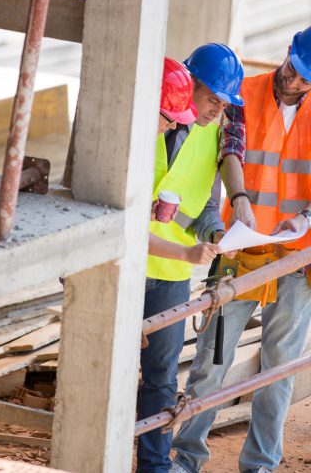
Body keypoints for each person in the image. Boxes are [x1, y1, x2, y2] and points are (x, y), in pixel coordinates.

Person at [171, 27, 311, 473]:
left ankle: (261, 465)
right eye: (293, 69)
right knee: (211, 364)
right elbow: (217, 160)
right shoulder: (242, 95)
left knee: (278, 368)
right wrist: (228, 213)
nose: (293, 82)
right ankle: (186, 457)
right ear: (288, 52)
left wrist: (305, 221)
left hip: (294, 256)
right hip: (237, 251)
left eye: (305, 79)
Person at [137, 44, 244, 473]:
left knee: (161, 379)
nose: (215, 111)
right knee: (105, 368)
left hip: (171, 273)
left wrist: (216, 231)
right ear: (189, 84)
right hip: (125, 266)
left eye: (223, 105)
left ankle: (154, 467)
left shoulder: (213, 135)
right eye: (211, 99)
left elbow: (202, 209)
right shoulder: (147, 121)